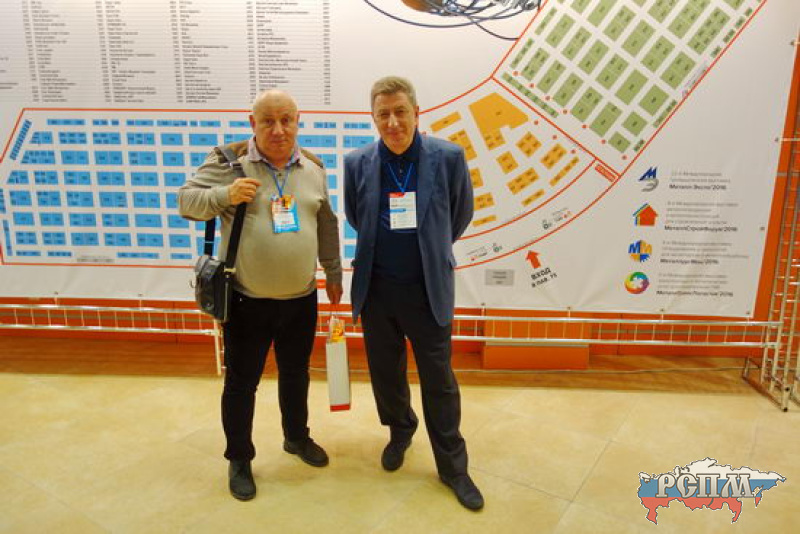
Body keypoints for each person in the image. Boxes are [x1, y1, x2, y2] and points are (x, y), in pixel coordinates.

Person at [178, 89, 343, 501]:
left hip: (301, 298)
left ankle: (296, 437)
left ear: (298, 121)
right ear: (253, 123)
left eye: (287, 120)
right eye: (268, 121)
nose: (278, 129)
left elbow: (326, 222)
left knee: (296, 373)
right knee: (241, 383)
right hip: (246, 300)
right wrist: (224, 195)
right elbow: (186, 202)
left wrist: (334, 271)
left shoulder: (313, 167)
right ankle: (239, 458)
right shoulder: (228, 161)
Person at [343, 76, 483, 510]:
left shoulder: (448, 157)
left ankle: (453, 466)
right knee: (386, 374)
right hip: (378, 289)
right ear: (373, 118)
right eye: (383, 114)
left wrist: (430, 248)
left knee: (439, 381)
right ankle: (400, 428)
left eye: (400, 111)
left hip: (427, 289)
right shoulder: (356, 162)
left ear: (417, 113)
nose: (393, 122)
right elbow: (355, 216)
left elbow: (459, 214)